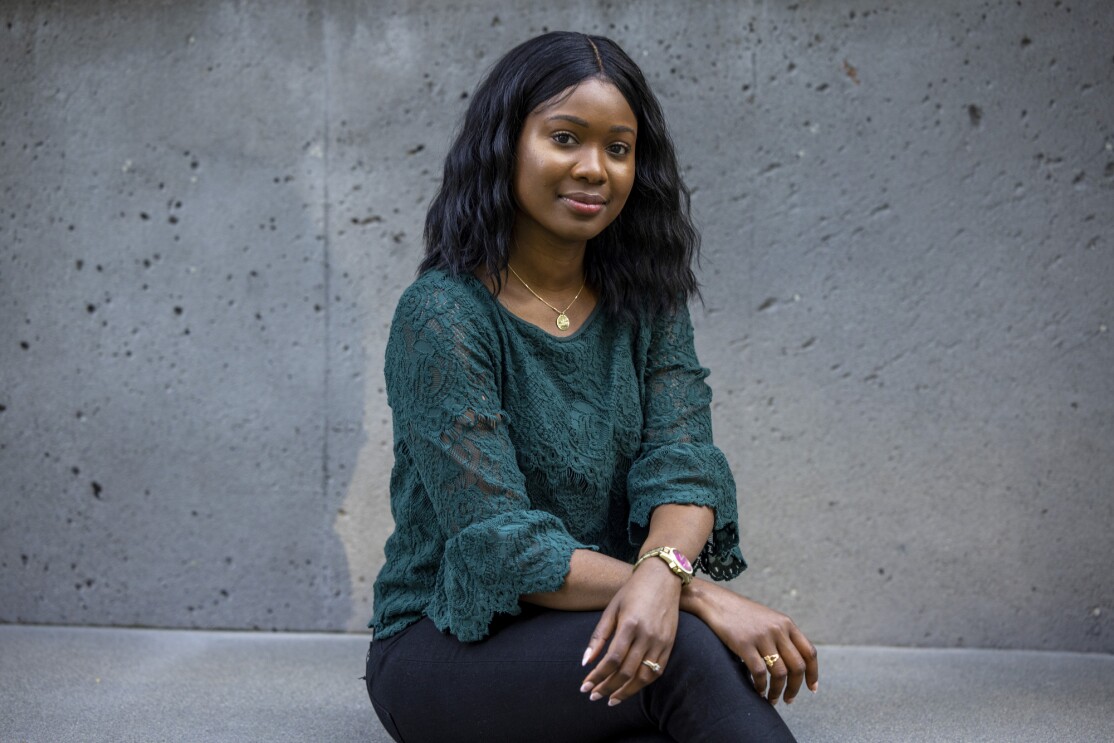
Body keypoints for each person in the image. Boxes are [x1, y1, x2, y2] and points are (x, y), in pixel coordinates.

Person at [363, 31, 817, 743]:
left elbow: (684, 467)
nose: (594, 169)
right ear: (506, 143)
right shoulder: (443, 315)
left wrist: (661, 579)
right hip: (448, 643)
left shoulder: (645, 300)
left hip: (595, 626)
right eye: (566, 137)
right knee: (691, 652)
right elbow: (503, 545)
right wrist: (690, 593)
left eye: (618, 147)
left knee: (673, 685)